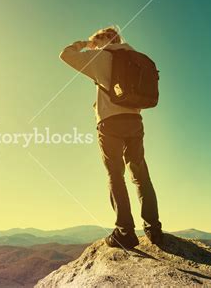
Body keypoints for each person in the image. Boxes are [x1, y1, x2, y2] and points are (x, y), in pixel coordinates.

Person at [59, 26, 163, 249]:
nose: (93, 46)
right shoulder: (136, 56)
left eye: (96, 41)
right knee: (141, 175)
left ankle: (125, 232)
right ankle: (154, 228)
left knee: (116, 175)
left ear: (105, 39)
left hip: (110, 123)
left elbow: (66, 55)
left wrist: (84, 45)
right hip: (135, 122)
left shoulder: (100, 56)